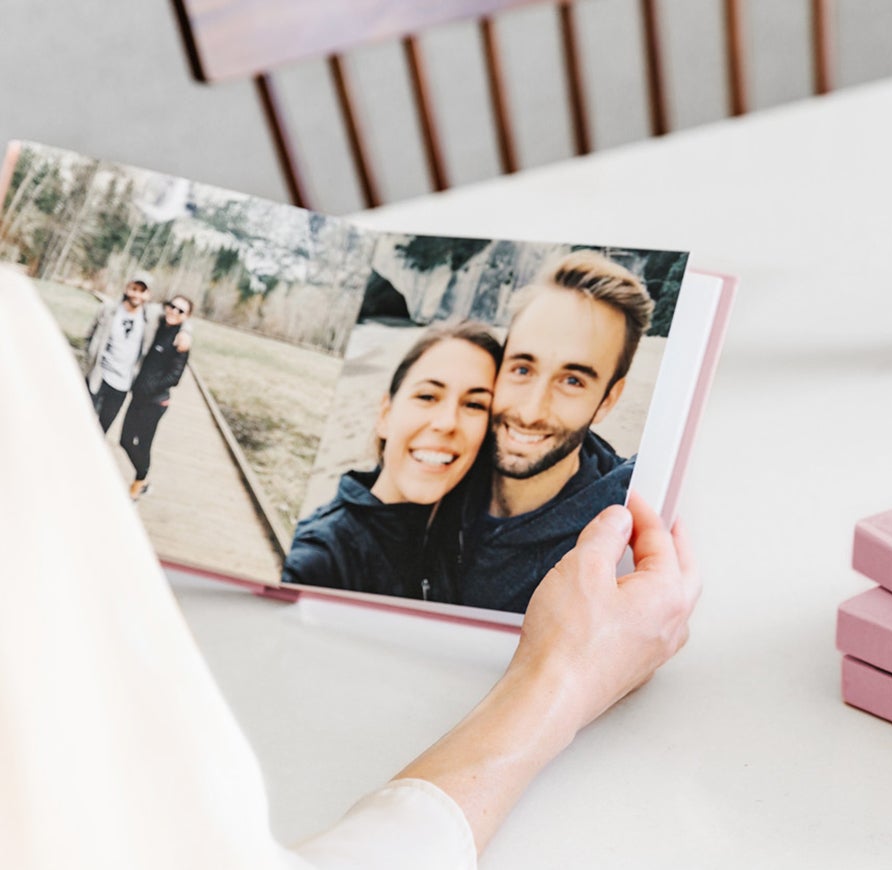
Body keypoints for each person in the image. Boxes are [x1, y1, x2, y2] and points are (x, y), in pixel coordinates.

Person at [1, 268, 700, 869]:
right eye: (518, 370)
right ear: (385, 411)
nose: (522, 410)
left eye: (475, 401)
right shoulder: (337, 544)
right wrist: (563, 682)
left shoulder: (596, 507)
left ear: (610, 398)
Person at [437, 250, 655, 612]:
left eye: (572, 380)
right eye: (522, 369)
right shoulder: (436, 470)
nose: (530, 411)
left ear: (607, 400)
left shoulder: (607, 553)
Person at [281, 321, 503, 599]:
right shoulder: (319, 560)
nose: (447, 423)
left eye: (474, 404)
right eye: (427, 396)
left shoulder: (465, 542)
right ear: (385, 415)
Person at [83, 272, 191, 432]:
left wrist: (187, 332)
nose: (137, 294)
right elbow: (89, 336)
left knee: (101, 431)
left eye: (142, 291)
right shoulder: (109, 309)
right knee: (81, 423)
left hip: (122, 385)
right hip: (98, 377)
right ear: (127, 288)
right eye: (134, 289)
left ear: (148, 295)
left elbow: (177, 316)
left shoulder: (151, 316)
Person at [119, 294, 194, 500]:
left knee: (143, 444)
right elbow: (143, 305)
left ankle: (139, 481)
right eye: (172, 307)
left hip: (155, 402)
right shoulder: (156, 324)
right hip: (138, 396)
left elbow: (175, 377)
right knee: (125, 440)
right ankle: (144, 479)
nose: (174, 312)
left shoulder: (181, 340)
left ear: (186, 316)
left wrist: (151, 387)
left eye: (180, 311)